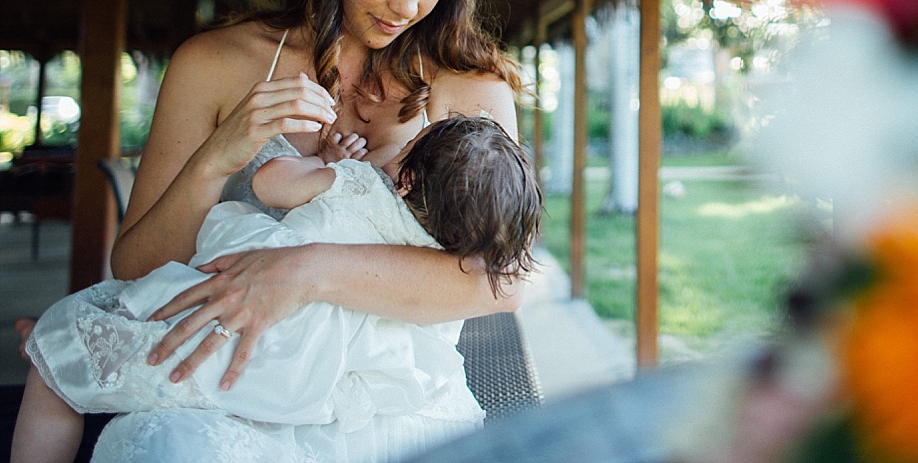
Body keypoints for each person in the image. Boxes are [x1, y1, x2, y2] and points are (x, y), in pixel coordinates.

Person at [29, 0, 528, 463]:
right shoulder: (216, 64)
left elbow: (501, 282)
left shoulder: (468, 88)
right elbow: (135, 265)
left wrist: (304, 271)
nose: (408, 5)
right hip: (227, 388)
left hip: (390, 397)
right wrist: (220, 156)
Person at [13, 114, 544, 463]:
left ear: (404, 177)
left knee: (62, 351)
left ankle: (64, 344)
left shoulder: (361, 181)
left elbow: (271, 184)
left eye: (409, 145)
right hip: (324, 377)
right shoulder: (440, 255)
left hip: (257, 331)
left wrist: (327, 163)